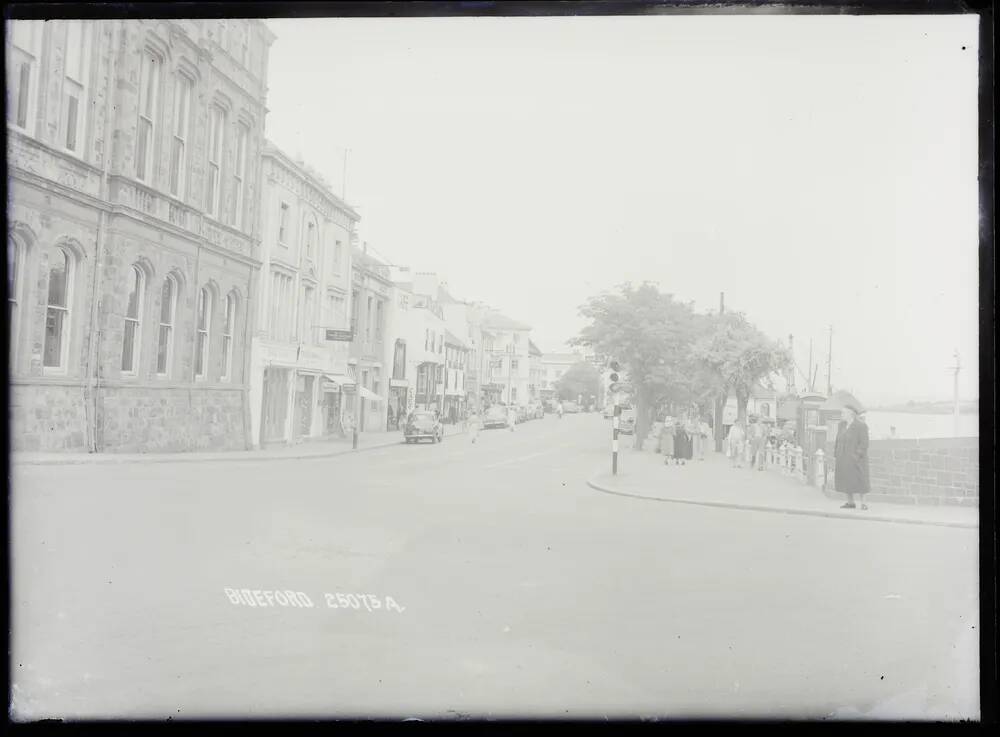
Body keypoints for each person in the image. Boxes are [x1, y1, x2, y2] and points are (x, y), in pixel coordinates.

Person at [834, 401, 871, 510]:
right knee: (846, 479)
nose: (841, 415)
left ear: (851, 414)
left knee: (860, 480)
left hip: (856, 459)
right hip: (843, 458)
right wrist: (836, 453)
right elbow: (837, 439)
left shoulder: (861, 426)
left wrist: (856, 456)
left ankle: (863, 503)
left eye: (843, 413)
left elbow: (864, 444)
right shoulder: (841, 425)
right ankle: (850, 502)